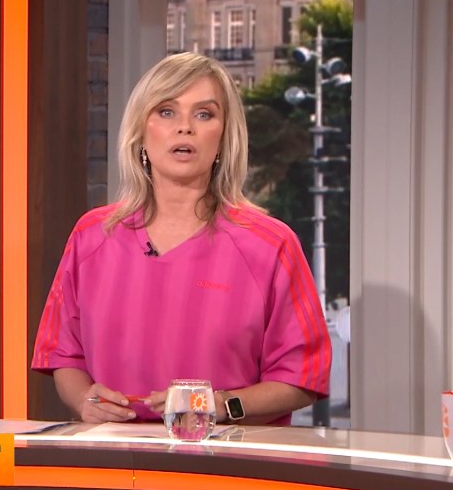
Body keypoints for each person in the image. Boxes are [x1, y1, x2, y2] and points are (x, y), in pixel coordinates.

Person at [31, 52, 331, 426]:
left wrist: (222, 406)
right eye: (167, 111)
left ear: (224, 138)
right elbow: (64, 355)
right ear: (141, 132)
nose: (185, 127)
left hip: (225, 457)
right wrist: (84, 401)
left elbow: (301, 378)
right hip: (113, 455)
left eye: (204, 114)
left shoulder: (270, 245)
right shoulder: (92, 236)